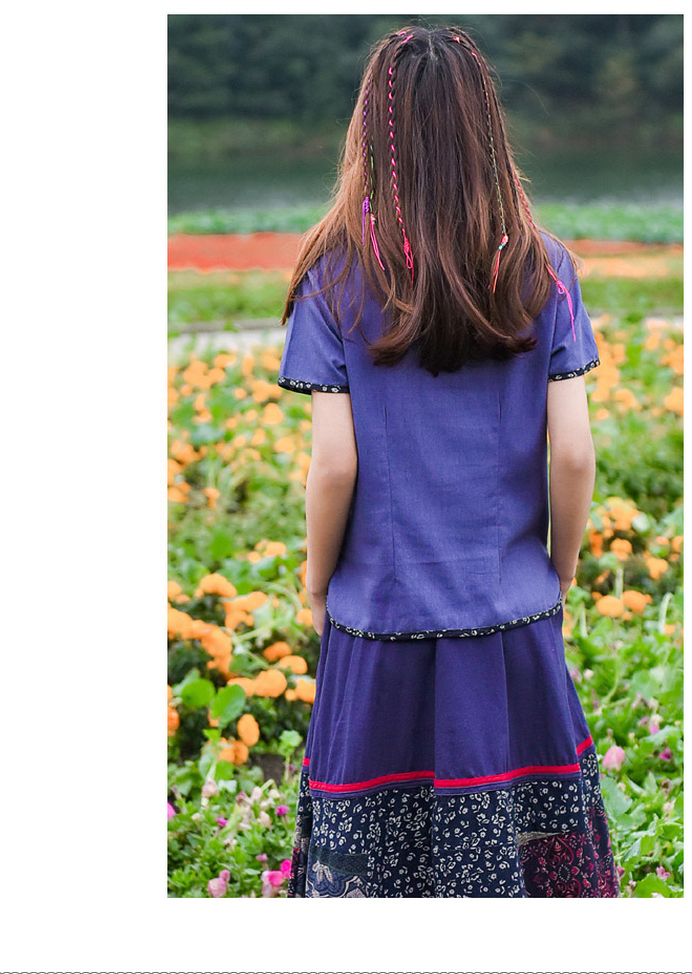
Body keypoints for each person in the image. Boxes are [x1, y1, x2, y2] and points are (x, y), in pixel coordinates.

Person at [276, 24, 619, 898]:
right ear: (486, 128)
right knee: (526, 872)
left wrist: (316, 582)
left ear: (370, 132)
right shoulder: (543, 267)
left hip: (377, 621)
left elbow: (334, 466)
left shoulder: (333, 275)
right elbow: (574, 451)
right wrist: (559, 568)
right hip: (513, 618)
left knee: (373, 878)